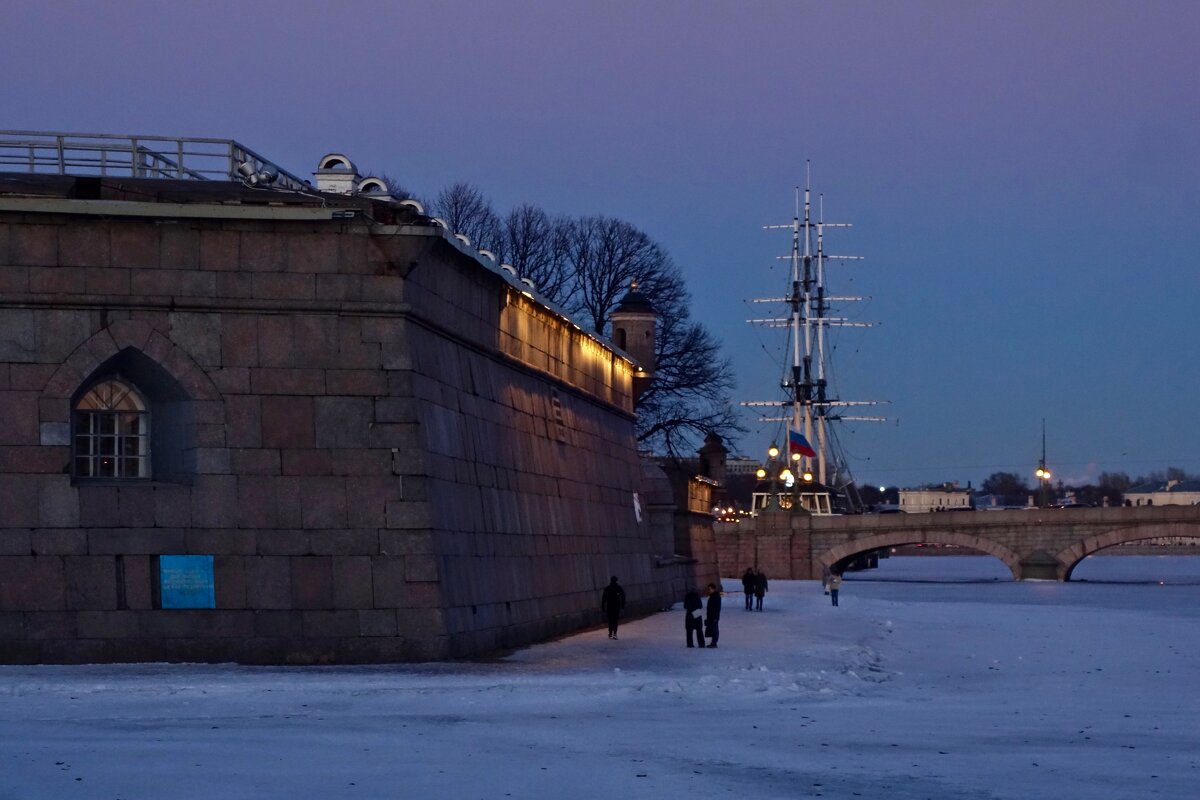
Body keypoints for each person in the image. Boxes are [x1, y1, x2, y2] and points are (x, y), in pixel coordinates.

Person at [704, 583, 722, 648]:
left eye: (710, 589)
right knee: (713, 629)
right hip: (712, 616)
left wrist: (715, 617)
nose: (708, 590)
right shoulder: (713, 596)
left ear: (713, 589)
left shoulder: (715, 597)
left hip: (714, 616)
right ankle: (713, 642)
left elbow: (717, 608)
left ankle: (714, 643)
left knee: (715, 629)